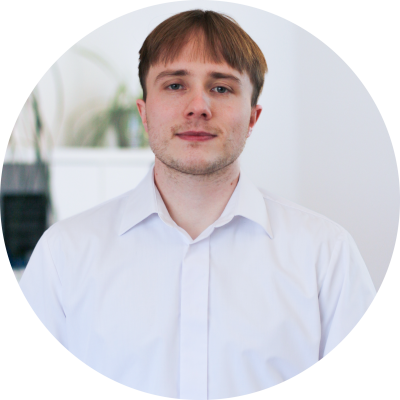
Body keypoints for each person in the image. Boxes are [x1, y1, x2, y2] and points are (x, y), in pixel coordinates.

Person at [18, 9, 376, 399]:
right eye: (175, 85)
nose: (198, 106)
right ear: (144, 113)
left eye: (221, 88)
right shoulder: (63, 255)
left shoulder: (327, 255)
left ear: (253, 117)